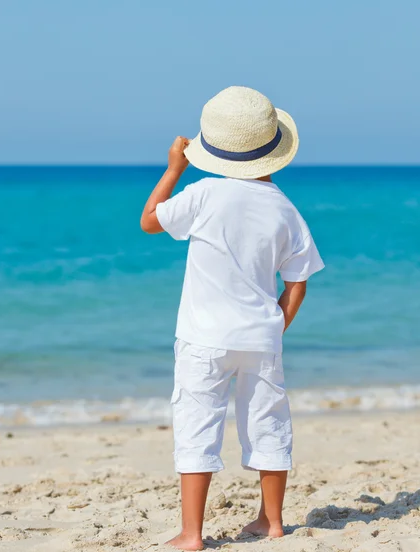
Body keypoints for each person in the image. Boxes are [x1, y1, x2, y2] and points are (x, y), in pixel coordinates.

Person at [140, 86, 324, 551]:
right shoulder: (285, 208)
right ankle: (272, 522)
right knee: (268, 422)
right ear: (272, 150)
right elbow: (298, 281)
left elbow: (149, 220)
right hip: (261, 337)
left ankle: (191, 533)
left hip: (204, 337)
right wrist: (277, 324)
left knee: (197, 421)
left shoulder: (203, 195)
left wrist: (174, 168)